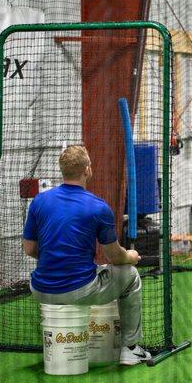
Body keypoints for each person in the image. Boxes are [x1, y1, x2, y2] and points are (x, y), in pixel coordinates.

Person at [22, 145, 151, 365]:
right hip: (79, 291)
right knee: (129, 275)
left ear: (62, 171)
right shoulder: (98, 207)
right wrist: (131, 255)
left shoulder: (39, 202)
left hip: (40, 289)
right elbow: (115, 258)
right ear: (88, 170)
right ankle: (130, 348)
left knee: (96, 271)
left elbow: (29, 249)